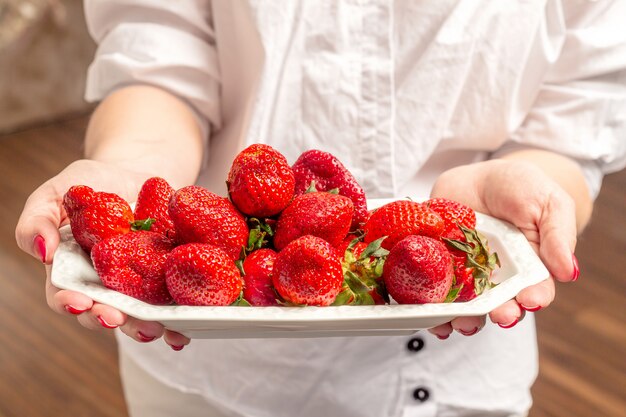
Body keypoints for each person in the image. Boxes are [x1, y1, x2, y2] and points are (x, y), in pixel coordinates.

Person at [15, 1, 626, 416]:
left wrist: (535, 189)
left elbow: (572, 117)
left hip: (465, 338)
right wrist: (128, 170)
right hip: (213, 348)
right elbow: (161, 61)